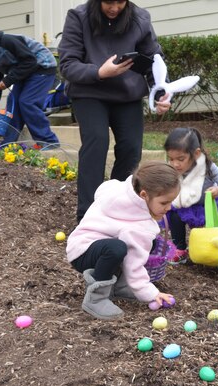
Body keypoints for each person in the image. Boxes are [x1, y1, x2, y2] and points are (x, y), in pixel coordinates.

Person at [58, 0, 172, 222]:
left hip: (126, 95)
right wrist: (99, 72)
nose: (114, 7)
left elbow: (153, 60)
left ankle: (118, 207)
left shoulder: (140, 18)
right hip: (89, 92)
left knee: (131, 149)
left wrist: (160, 92)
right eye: (108, 1)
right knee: (96, 142)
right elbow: (67, 64)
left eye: (120, 2)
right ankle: (88, 216)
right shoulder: (78, 17)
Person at [66, 160, 179, 320]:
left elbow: (105, 187)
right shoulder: (138, 226)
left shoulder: (123, 190)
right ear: (144, 195)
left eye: (171, 202)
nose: (168, 208)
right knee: (117, 249)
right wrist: (151, 293)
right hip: (82, 253)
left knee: (148, 242)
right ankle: (96, 298)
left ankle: (120, 286)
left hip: (82, 243)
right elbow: (134, 264)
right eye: (164, 203)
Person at [0, 28, 59, 145]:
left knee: (27, 102)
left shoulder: (6, 42)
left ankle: (48, 141)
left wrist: (8, 80)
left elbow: (30, 61)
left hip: (42, 67)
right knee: (13, 102)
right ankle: (8, 143)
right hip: (24, 73)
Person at [163, 127, 218, 273]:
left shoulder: (208, 167)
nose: (175, 164)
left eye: (181, 159)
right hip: (185, 206)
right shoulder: (171, 170)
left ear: (196, 154)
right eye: (171, 159)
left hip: (208, 205)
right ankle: (180, 249)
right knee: (173, 213)